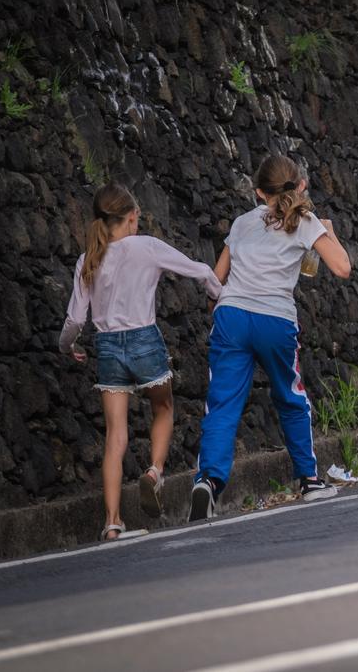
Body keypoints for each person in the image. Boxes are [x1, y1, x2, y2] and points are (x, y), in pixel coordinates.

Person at [190, 154, 352, 521]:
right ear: (299, 185)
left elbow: (215, 281)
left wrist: (227, 302)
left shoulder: (242, 222)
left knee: (222, 404)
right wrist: (329, 232)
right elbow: (342, 267)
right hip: (275, 319)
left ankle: (208, 482)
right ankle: (309, 481)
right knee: (290, 397)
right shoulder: (307, 222)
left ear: (259, 191)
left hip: (231, 315)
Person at [59, 183, 222, 541]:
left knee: (115, 435)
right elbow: (200, 270)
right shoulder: (146, 246)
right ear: (132, 217)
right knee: (163, 407)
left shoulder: (88, 258)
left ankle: (113, 523)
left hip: (107, 348)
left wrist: (66, 346)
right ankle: (154, 471)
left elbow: (74, 320)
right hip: (144, 339)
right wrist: (219, 296)